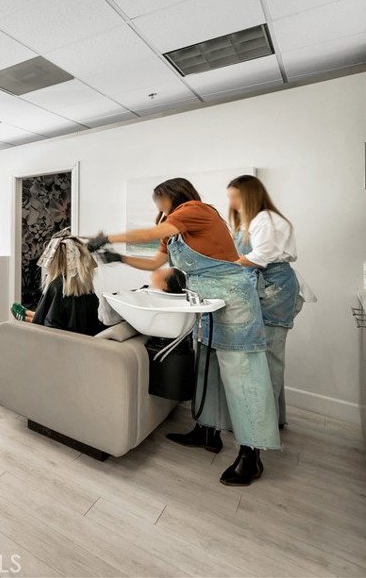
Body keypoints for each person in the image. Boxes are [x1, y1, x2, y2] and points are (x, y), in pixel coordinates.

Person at [91, 177, 279, 487]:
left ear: (172, 196)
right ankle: (207, 432)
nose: (158, 207)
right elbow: (155, 262)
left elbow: (152, 233)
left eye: (159, 200)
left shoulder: (196, 210)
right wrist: (119, 258)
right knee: (206, 369)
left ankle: (251, 454)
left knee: (241, 375)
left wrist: (108, 237)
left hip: (232, 300)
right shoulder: (176, 232)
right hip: (203, 303)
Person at [227, 175, 312, 429]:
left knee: (270, 358)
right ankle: (274, 419)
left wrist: (224, 265)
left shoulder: (266, 220)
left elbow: (259, 256)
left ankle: (261, 429)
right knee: (263, 358)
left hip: (274, 291)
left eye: (235, 197)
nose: (231, 203)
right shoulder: (250, 222)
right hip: (263, 288)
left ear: (249, 195)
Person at [0, 230, 106, 390]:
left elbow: (39, 324)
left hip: (55, 349)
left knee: (14, 340)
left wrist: (27, 320)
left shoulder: (56, 287)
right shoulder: (88, 290)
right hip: (78, 348)